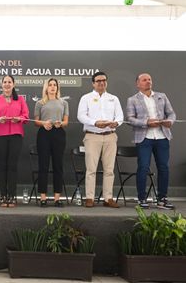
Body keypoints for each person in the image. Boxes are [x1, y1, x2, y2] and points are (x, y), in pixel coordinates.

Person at [126, 73, 176, 210]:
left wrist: (169, 121)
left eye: (149, 79)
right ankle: (142, 198)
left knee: (164, 168)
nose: (148, 82)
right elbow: (130, 119)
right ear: (138, 84)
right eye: (144, 80)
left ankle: (162, 199)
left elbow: (171, 113)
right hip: (144, 138)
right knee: (143, 167)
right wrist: (146, 122)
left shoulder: (162, 96)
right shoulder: (132, 100)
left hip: (162, 136)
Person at [77, 71, 123, 208]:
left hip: (110, 136)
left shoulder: (114, 98)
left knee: (109, 169)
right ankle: (89, 198)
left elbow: (120, 116)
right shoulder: (86, 98)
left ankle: (108, 198)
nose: (101, 83)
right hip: (92, 135)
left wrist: (116, 123)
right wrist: (95, 122)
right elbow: (81, 116)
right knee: (91, 169)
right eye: (98, 81)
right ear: (93, 83)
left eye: (104, 80)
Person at [0, 75, 29, 207]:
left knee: (12, 166)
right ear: (1, 85)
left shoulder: (20, 99)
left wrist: (19, 119)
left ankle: (12, 196)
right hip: (0, 135)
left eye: (9, 82)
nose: (7, 84)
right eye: (5, 82)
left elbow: (26, 116)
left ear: (14, 84)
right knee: (2, 166)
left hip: (16, 135)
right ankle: (3, 196)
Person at [33, 78, 69, 207]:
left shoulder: (63, 103)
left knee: (58, 166)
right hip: (44, 134)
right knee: (43, 166)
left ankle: (57, 198)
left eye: (55, 85)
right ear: (46, 88)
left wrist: (60, 123)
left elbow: (66, 121)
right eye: (50, 85)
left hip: (58, 133)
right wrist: (44, 123)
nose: (53, 87)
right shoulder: (40, 103)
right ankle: (43, 197)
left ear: (57, 88)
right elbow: (36, 121)